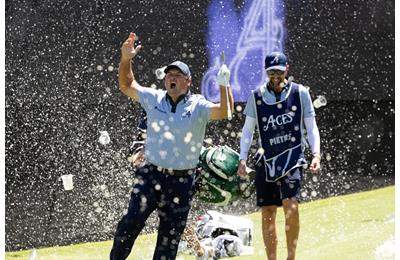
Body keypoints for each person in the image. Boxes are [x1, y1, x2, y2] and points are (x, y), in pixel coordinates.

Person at [110, 32, 233, 260]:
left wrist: (225, 86)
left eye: (178, 75)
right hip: (151, 175)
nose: (171, 78)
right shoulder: (154, 98)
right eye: (169, 75)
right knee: (130, 223)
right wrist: (126, 59)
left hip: (181, 181)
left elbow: (224, 111)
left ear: (188, 81)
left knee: (169, 239)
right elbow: (126, 84)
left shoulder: (198, 106)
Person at [236, 51, 321, 260]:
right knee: (267, 213)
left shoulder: (300, 93)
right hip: (266, 160)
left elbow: (311, 127)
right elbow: (248, 130)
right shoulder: (256, 96)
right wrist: (242, 158)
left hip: (292, 158)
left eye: (279, 72)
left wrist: (316, 154)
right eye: (272, 72)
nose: (275, 76)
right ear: (266, 72)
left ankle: (291, 257)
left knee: (291, 207)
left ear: (287, 70)